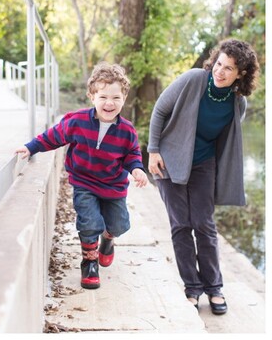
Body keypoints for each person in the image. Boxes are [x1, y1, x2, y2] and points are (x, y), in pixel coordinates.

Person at [148, 39, 259, 315]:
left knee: (204, 224)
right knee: (180, 224)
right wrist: (152, 152)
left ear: (240, 74)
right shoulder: (194, 80)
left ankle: (214, 288)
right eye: (219, 64)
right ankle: (192, 288)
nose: (220, 72)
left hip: (203, 163)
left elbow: (226, 140)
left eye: (229, 68)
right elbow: (160, 111)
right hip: (169, 160)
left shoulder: (237, 103)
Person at [15, 63, 148, 289]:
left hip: (113, 186)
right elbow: (52, 136)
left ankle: (108, 239)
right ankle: (89, 263)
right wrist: (31, 148)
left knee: (119, 224)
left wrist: (136, 169)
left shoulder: (127, 130)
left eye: (116, 97)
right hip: (84, 183)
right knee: (89, 223)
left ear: (124, 97)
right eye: (103, 96)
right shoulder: (78, 121)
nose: (109, 103)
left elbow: (132, 154)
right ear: (91, 96)